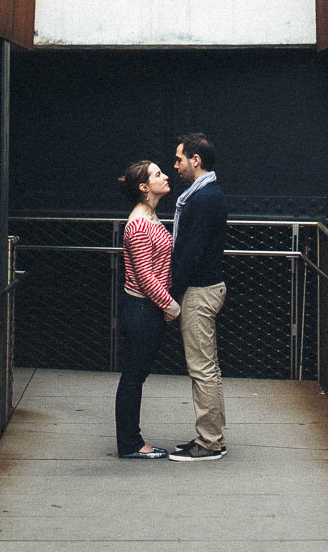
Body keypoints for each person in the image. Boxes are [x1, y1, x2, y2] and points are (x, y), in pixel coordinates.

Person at [166, 133, 228, 461]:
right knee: (208, 367)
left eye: (179, 159)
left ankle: (209, 443)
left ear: (196, 161)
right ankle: (212, 436)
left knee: (202, 368)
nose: (175, 166)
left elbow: (190, 253)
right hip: (207, 287)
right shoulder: (207, 195)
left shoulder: (202, 199)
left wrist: (172, 294)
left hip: (200, 292)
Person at [114, 159, 181, 459]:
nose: (165, 176)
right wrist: (171, 306)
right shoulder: (140, 224)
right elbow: (144, 276)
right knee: (132, 378)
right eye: (157, 174)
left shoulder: (150, 217)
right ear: (144, 187)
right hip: (142, 309)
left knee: (134, 377)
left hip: (146, 309)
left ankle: (131, 440)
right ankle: (130, 443)